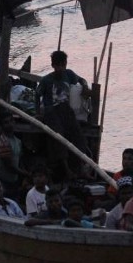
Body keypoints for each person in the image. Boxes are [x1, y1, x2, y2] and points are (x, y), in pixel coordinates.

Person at [34, 50, 90, 181]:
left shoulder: (68, 74)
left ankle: (81, 168)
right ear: (53, 65)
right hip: (51, 111)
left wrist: (85, 87)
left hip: (66, 110)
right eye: (57, 66)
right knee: (59, 137)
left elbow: (82, 80)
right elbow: (37, 95)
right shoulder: (46, 80)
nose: (60, 68)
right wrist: (37, 113)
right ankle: (67, 170)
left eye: (62, 65)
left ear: (65, 64)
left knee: (78, 136)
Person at [0, 112, 29, 202]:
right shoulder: (3, 142)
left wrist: (25, 174)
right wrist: (27, 174)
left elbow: (20, 159)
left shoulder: (17, 141)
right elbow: (9, 167)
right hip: (3, 181)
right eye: (6, 122)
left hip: (14, 180)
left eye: (11, 121)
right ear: (1, 126)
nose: (10, 124)